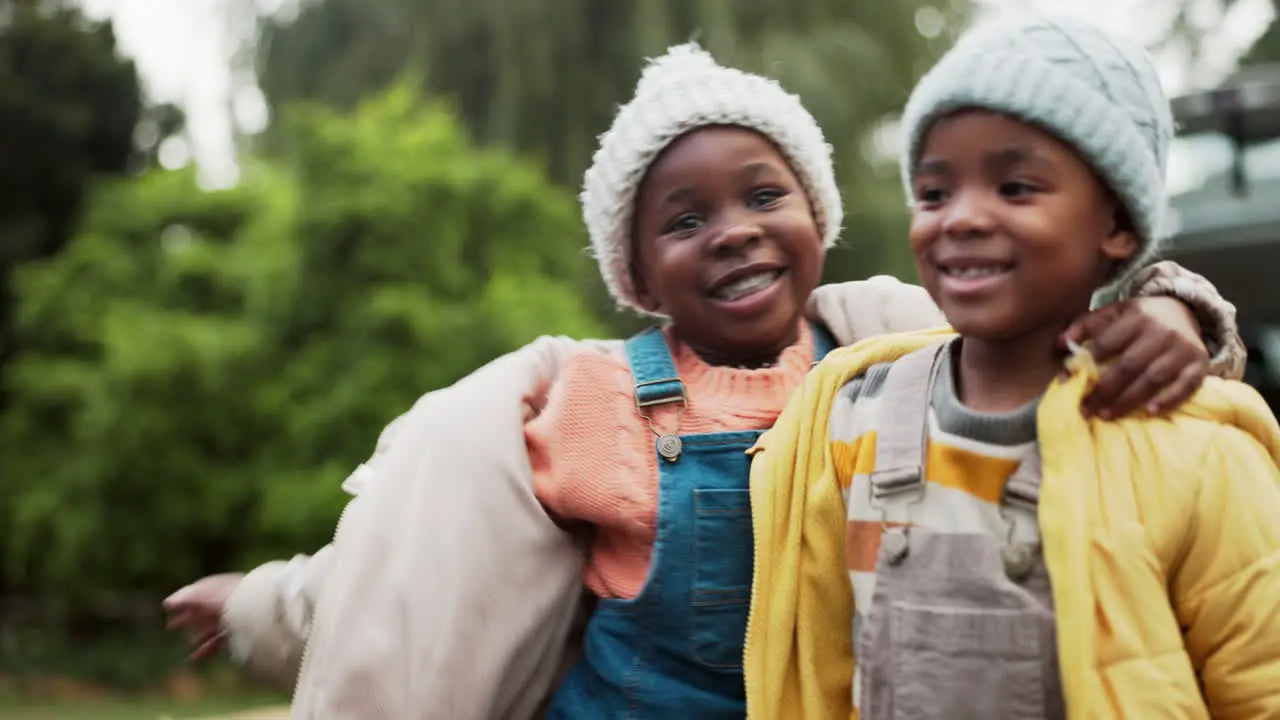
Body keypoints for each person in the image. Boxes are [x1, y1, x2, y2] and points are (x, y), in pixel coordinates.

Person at [166, 43, 1244, 716]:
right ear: (636, 270)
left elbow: (1063, 326)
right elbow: (426, 559)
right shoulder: (589, 401)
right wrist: (267, 602)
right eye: (683, 220)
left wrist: (1172, 308)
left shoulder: (894, 351)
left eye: (761, 196)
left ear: (815, 219)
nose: (731, 234)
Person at [745, 13, 1280, 720]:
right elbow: (816, 673)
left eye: (1016, 187)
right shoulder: (849, 422)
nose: (961, 218)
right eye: (934, 193)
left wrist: (1182, 305)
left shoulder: (1196, 457)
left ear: (1117, 226)